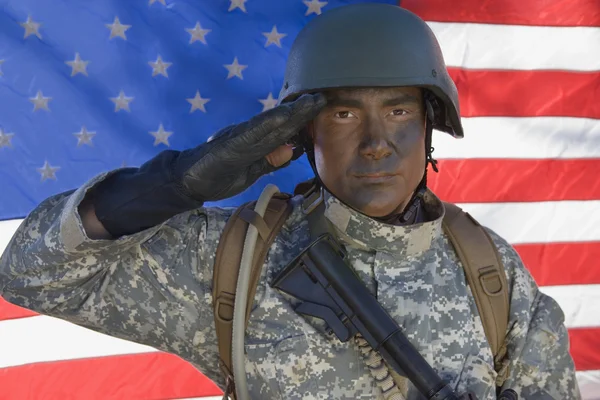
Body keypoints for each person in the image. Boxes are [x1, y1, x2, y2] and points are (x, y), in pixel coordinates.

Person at [0, 3, 581, 400]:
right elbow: (33, 272)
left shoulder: (490, 271)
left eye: (400, 111)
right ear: (305, 132)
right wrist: (177, 184)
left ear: (431, 126)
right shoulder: (233, 259)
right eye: (345, 113)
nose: (377, 143)